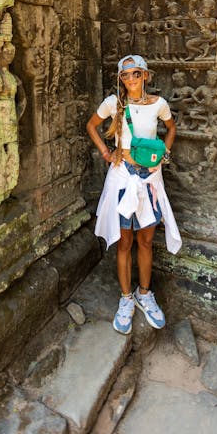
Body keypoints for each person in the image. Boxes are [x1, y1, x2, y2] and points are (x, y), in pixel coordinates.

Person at [86, 55, 181, 336]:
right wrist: (106, 152)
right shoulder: (113, 104)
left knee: (147, 239)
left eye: (136, 75)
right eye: (125, 76)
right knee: (125, 240)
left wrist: (164, 153)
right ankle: (126, 298)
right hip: (123, 176)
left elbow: (171, 128)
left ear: (145, 76)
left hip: (150, 176)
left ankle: (144, 293)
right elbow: (91, 126)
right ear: (120, 79)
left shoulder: (158, 105)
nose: (131, 80)